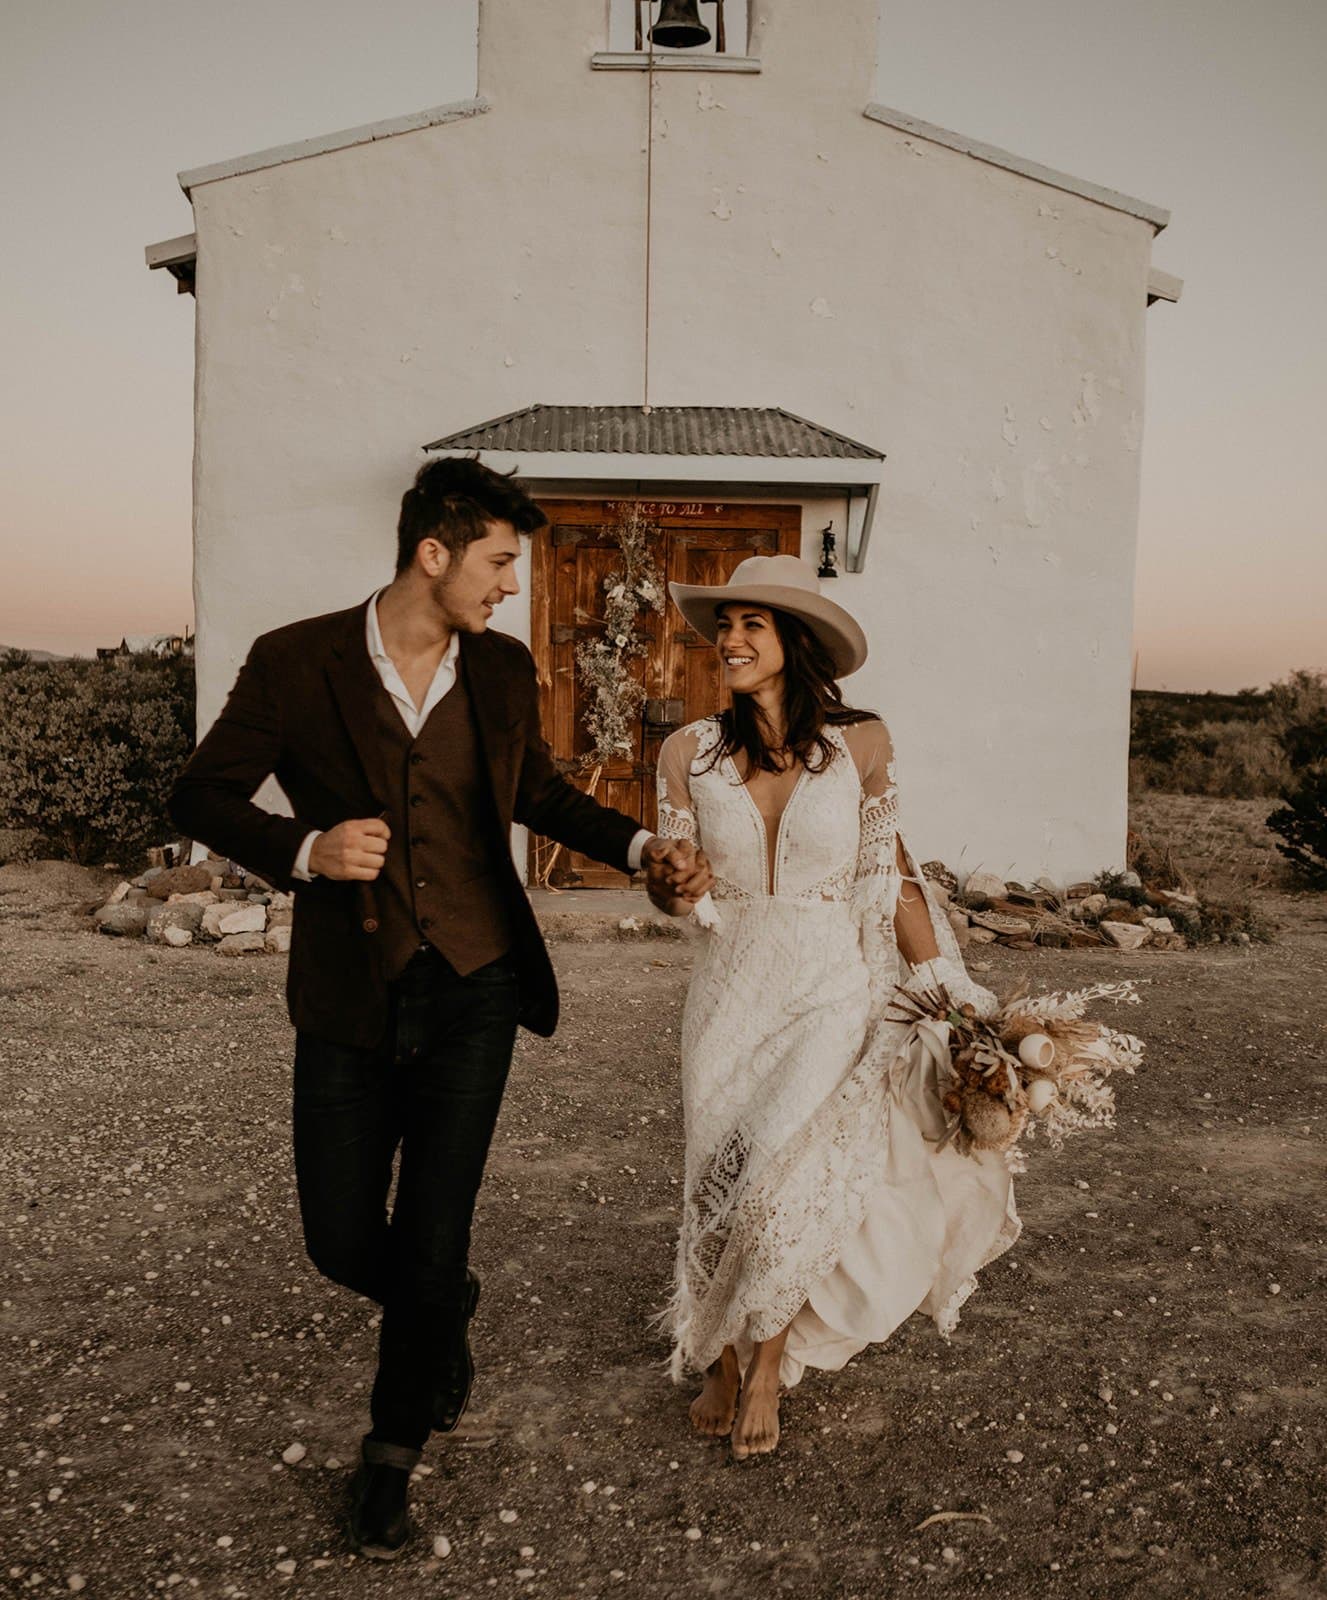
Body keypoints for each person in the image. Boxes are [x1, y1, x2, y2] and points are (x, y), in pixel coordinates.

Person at [168, 458, 711, 1558]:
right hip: (347, 987)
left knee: (432, 1226)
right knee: (336, 1234)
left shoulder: (503, 670)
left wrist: (643, 846)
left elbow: (538, 793)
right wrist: (305, 849)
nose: (511, 584)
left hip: (477, 982)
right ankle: (440, 1308)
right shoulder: (295, 659)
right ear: (434, 552)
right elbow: (201, 792)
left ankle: (388, 1454)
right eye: (501, 561)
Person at [654, 554, 1021, 1459]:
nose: (729, 641)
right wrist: (672, 883)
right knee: (719, 1167)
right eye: (724, 625)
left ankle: (766, 1359)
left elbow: (886, 873)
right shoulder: (684, 750)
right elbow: (671, 881)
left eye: (751, 626)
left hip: (827, 983)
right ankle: (713, 1351)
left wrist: (948, 993)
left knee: (786, 1174)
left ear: (795, 643)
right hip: (731, 984)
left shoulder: (860, 741)